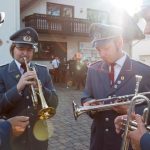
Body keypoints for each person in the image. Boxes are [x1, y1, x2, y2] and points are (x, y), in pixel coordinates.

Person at [81, 23, 150, 150]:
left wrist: (131, 111)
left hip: (127, 142)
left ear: (119, 42)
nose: (102, 54)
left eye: (106, 48)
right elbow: (86, 96)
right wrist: (89, 105)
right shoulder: (93, 69)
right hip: (99, 142)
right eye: (98, 50)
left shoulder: (144, 71)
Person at [0, 27, 58, 150]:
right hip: (13, 140)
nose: (25, 53)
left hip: (38, 137)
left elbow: (54, 103)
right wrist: (18, 88)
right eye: (21, 48)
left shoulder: (43, 71)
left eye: (29, 49)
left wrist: (40, 88)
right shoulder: (2, 72)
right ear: (13, 49)